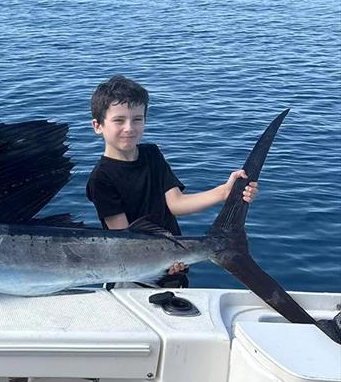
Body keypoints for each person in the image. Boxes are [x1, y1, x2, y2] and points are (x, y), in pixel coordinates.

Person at [85, 75, 258, 287]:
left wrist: (225, 192)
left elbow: (176, 204)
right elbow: (125, 243)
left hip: (172, 266)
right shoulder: (100, 178)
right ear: (98, 126)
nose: (129, 128)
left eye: (137, 119)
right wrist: (164, 261)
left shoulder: (151, 153)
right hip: (132, 277)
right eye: (119, 120)